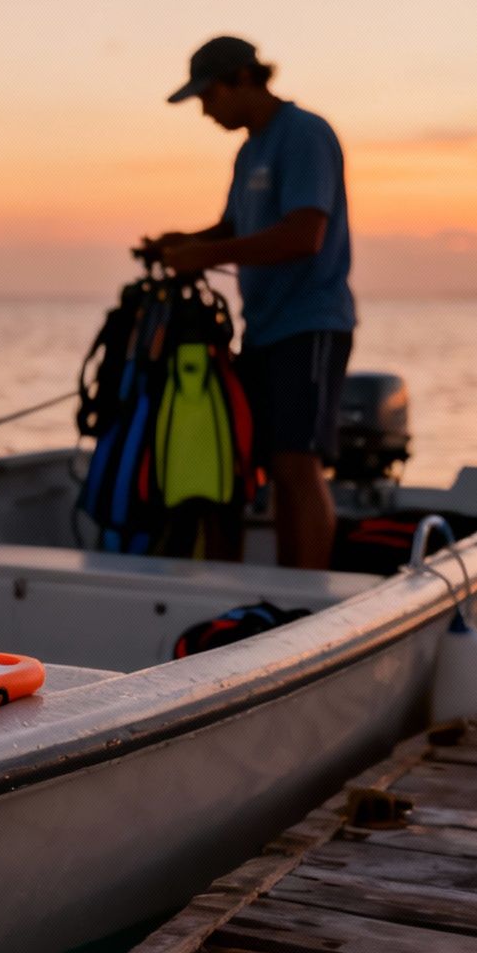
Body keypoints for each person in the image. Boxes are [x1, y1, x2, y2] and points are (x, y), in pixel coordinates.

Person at [143, 35, 356, 571]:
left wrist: (205, 254)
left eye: (208, 95)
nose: (205, 110)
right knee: (251, 462)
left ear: (243, 78)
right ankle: (254, 593)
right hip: (260, 329)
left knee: (295, 463)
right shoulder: (249, 150)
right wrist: (183, 242)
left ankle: (303, 609)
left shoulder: (305, 134)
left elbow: (303, 235)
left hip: (310, 324)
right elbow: (237, 228)